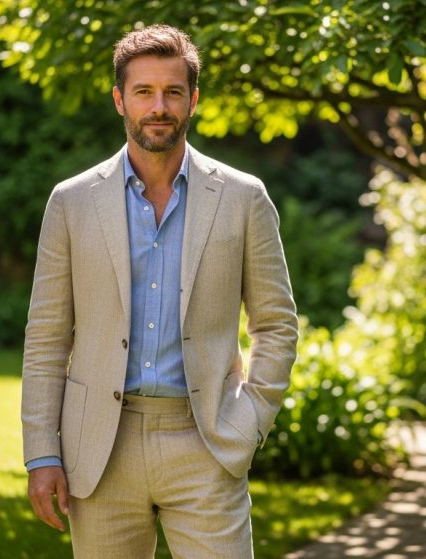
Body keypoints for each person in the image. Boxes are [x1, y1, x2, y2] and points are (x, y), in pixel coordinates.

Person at [21, 23, 299, 558]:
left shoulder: (244, 198)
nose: (158, 107)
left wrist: (249, 422)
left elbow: (276, 324)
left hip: (206, 443)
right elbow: (47, 337)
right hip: (99, 450)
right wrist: (42, 454)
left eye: (173, 92)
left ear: (193, 100)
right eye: (143, 91)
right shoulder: (71, 202)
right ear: (119, 100)